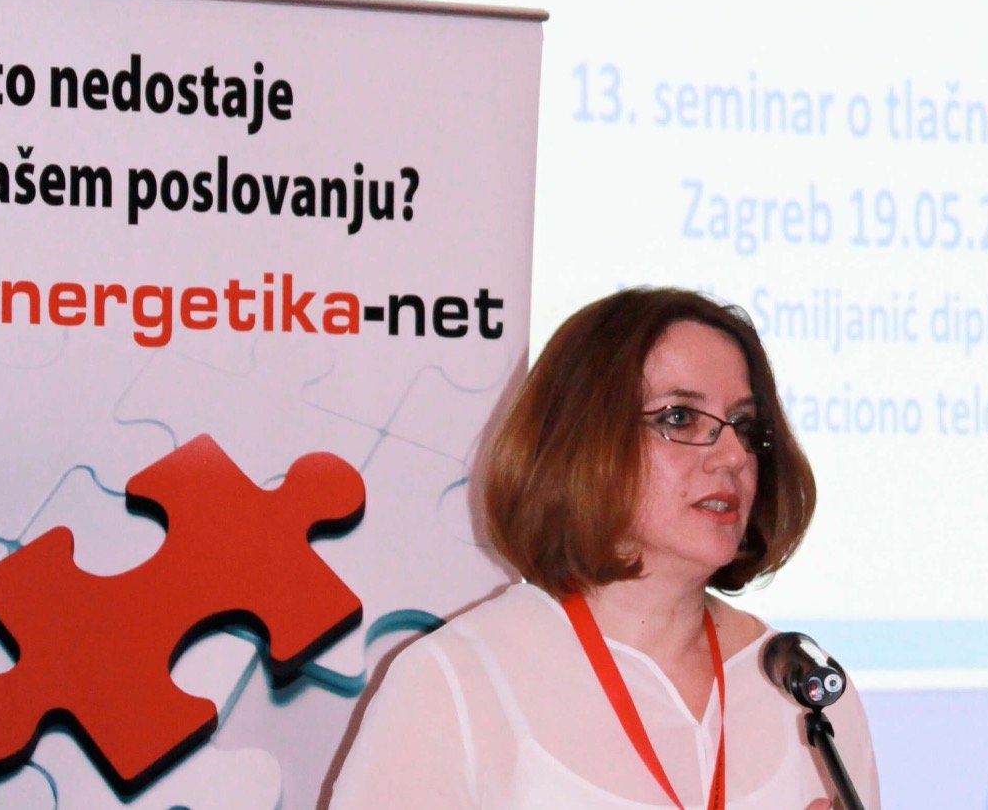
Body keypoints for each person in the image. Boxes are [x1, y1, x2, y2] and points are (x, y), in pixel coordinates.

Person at [329, 287, 879, 809]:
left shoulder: (803, 690)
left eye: (745, 424)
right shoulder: (453, 681)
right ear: (582, 440)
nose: (733, 455)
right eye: (679, 417)